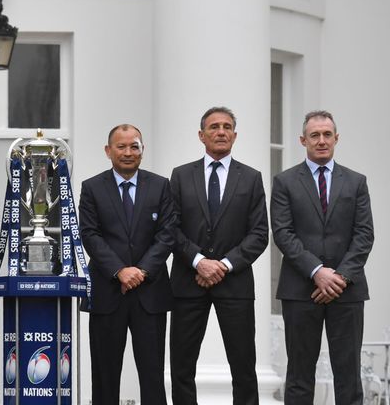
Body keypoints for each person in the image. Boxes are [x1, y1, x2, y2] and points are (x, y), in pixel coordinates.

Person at [272, 110, 373, 405]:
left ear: (336, 138)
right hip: (300, 290)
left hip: (348, 290)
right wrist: (317, 271)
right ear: (303, 139)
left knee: (349, 377)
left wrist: (339, 277)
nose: (321, 140)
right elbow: (283, 233)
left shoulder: (356, 182)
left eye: (327, 134)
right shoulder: (285, 182)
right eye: (314, 135)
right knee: (300, 376)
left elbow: (364, 234)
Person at [169, 107, 268, 405]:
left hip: (234, 284)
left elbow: (259, 233)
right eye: (214, 127)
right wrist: (199, 261)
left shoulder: (251, 178)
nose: (221, 131)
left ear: (235, 135)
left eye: (227, 127)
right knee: (182, 366)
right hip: (189, 282)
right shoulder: (181, 175)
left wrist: (223, 265)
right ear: (202, 135)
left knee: (243, 367)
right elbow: (170, 228)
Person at [79, 124, 176, 405]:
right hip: (108, 293)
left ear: (142, 151)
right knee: (105, 374)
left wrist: (141, 271)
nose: (128, 152)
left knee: (153, 374)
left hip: (151, 294)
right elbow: (90, 234)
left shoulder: (160, 186)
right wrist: (120, 270)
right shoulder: (92, 187)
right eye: (121, 146)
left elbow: (167, 234)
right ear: (108, 151)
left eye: (134, 146)